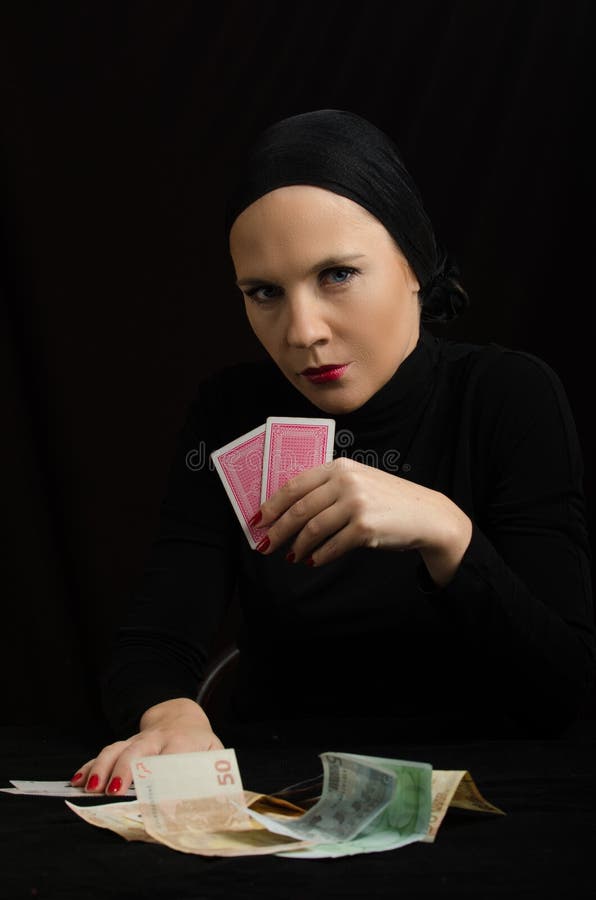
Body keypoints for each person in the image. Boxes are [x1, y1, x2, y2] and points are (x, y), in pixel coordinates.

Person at [70, 109, 595, 796]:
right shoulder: (230, 411)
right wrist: (174, 714)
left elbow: (565, 693)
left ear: (415, 264)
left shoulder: (507, 395)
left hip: (495, 800)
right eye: (264, 293)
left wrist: (447, 531)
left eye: (337, 275)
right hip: (285, 791)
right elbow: (156, 636)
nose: (302, 331)